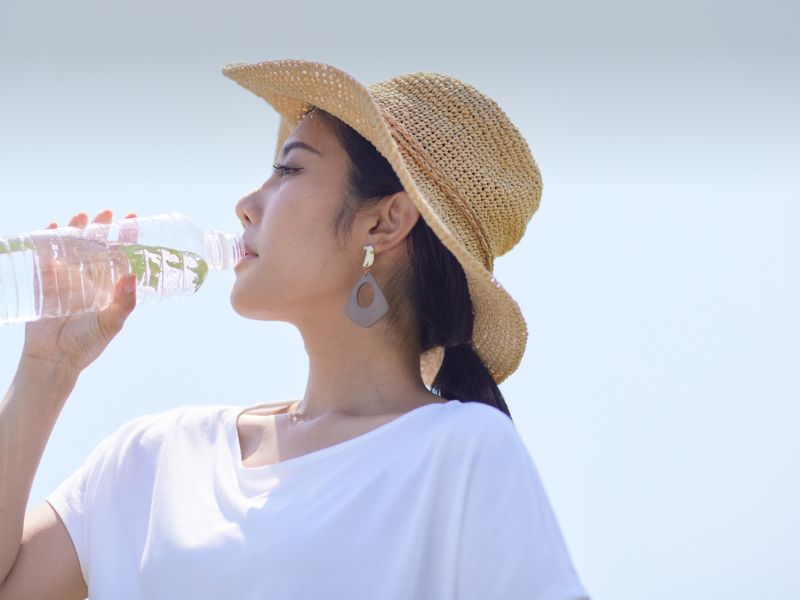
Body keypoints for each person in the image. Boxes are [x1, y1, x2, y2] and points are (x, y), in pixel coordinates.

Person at [0, 59, 591, 599]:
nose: (245, 204)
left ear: (385, 223)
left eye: (288, 169)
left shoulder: (461, 452)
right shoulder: (155, 460)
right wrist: (45, 372)